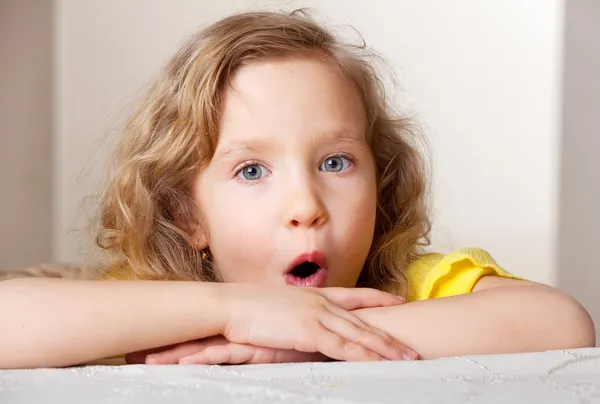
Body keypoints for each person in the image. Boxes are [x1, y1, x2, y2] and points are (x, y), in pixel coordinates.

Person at [0, 10, 594, 370]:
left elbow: (558, 322)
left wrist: (309, 340)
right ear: (187, 215)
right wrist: (242, 312)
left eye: (336, 162)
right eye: (252, 171)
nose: (306, 207)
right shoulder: (155, 306)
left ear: (381, 183)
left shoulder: (409, 289)